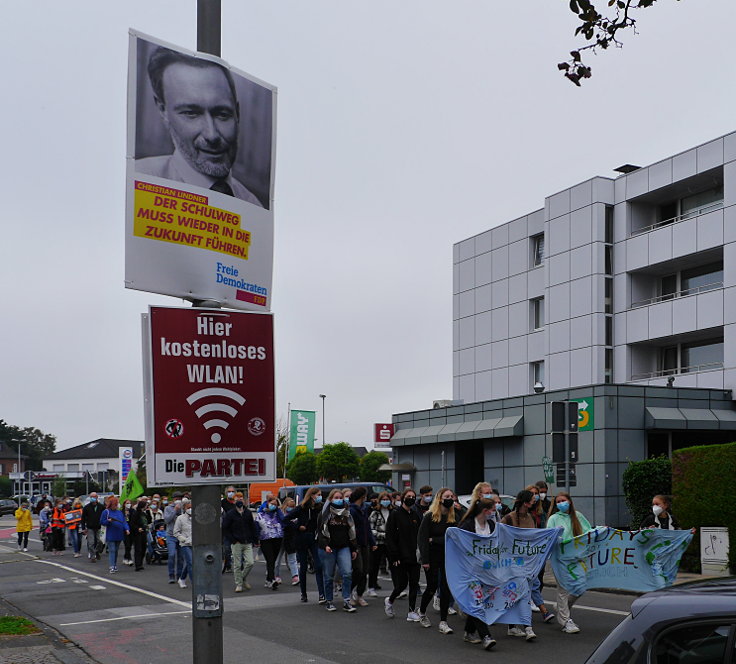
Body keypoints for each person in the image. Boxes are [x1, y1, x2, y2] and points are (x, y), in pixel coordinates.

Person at [137, 46, 263, 206]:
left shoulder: (252, 205)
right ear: (163, 110)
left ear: (237, 113)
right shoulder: (139, 183)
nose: (212, 135)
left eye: (222, 114)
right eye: (191, 113)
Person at [501, 490, 555, 638]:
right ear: (525, 502)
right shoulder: (509, 518)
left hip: (529, 563)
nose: (534, 501)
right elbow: (499, 536)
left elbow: (535, 537)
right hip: (513, 564)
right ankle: (527, 627)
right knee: (522, 594)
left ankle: (513, 626)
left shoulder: (531, 517)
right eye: (532, 500)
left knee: (522, 595)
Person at [547, 492, 593, 634]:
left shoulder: (577, 516)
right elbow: (549, 535)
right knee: (563, 589)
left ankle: (562, 607)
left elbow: (588, 532)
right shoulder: (553, 518)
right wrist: (557, 538)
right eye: (558, 501)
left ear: (570, 501)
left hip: (576, 558)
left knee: (581, 586)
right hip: (560, 558)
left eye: (564, 500)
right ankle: (565, 621)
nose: (561, 503)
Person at [417, 487, 459, 634]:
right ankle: (421, 611)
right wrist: (425, 560)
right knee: (432, 586)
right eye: (447, 496)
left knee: (446, 588)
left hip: (448, 557)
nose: (450, 499)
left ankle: (443, 621)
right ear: (440, 498)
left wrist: (434, 539)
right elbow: (422, 539)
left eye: (452, 496)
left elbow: (455, 537)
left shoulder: (454, 516)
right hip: (432, 557)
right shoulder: (430, 516)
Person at [458, 498, 498, 650]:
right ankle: (486, 636)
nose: (494, 513)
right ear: (485, 511)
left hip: (488, 571)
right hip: (471, 571)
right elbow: (460, 544)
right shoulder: (468, 525)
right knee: (477, 601)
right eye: (493, 510)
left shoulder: (492, 525)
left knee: (482, 601)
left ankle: (469, 632)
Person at [384, 488, 422, 621]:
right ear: (402, 497)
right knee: (401, 585)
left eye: (413, 496)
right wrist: (394, 556)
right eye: (409, 496)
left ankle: (411, 611)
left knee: (414, 583)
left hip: (414, 556)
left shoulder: (415, 515)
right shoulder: (395, 514)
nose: (411, 498)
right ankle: (390, 600)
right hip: (400, 556)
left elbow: (419, 534)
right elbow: (390, 536)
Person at [317, 489, 357, 612]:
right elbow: (320, 532)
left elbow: (352, 532)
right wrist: (325, 545)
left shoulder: (347, 514)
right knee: (329, 575)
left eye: (341, 497)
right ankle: (329, 600)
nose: (340, 499)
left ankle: (346, 600)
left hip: (344, 547)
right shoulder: (325, 514)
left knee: (347, 573)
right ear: (331, 499)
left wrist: (354, 548)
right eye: (337, 497)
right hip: (329, 547)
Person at [285, 486, 325, 604]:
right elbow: (286, 519)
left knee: (318, 565)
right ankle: (303, 593)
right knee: (303, 566)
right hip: (301, 538)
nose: (319, 497)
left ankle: (321, 594)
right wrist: (298, 526)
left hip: (314, 538)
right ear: (312, 495)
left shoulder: (319, 508)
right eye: (318, 494)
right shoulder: (301, 508)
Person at [222, 493, 259, 592]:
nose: (240, 500)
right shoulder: (230, 514)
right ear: (234, 501)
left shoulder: (247, 513)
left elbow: (252, 526)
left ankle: (241, 578)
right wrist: (233, 540)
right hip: (237, 542)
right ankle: (239, 584)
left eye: (242, 499)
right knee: (237, 565)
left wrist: (255, 539)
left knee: (250, 562)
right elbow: (225, 528)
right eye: (238, 499)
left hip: (247, 542)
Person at [348, 486, 376, 607]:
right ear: (362, 496)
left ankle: (359, 595)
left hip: (365, 543)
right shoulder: (352, 510)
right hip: (356, 543)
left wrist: (372, 542)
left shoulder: (364, 509)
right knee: (358, 570)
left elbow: (367, 527)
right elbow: (350, 529)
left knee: (365, 570)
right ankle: (348, 591)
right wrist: (352, 546)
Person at [255, 497, 284, 590]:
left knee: (272, 560)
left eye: (275, 504)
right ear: (267, 503)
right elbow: (256, 527)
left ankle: (268, 580)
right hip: (265, 540)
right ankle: (272, 579)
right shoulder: (260, 515)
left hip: (277, 539)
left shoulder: (278, 514)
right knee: (270, 559)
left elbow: (284, 521)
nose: (273, 506)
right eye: (272, 504)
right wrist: (255, 539)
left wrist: (278, 510)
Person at [368, 491, 393, 596]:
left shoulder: (393, 512)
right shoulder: (375, 512)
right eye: (383, 499)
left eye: (387, 499)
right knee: (374, 565)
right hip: (378, 542)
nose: (385, 501)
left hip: (390, 543)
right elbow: (371, 528)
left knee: (393, 564)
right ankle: (371, 587)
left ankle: (397, 587)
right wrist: (383, 535)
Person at [100, 497, 129, 573]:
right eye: (115, 504)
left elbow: (124, 522)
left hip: (119, 534)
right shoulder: (106, 512)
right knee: (112, 550)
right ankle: (111, 566)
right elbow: (102, 522)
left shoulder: (119, 512)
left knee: (116, 550)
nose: (116, 505)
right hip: (110, 533)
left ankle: (114, 564)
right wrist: (108, 521)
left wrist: (127, 529)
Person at [275, 497, 299, 585]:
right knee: (277, 560)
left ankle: (295, 576)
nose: (291, 508)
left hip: (290, 539)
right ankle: (276, 575)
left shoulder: (295, 515)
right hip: (280, 538)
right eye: (290, 506)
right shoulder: (280, 514)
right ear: (285, 505)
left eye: (293, 507)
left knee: (292, 559)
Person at [164, 495, 185, 583]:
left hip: (181, 535)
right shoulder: (168, 508)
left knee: (181, 557)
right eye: (176, 499)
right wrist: (175, 510)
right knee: (172, 554)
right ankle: (171, 574)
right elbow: (167, 520)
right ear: (173, 500)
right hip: (171, 535)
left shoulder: (183, 508)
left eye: (179, 499)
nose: (178, 501)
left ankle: (179, 575)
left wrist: (182, 509)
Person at [173, 501, 193, 588]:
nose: (190, 509)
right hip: (185, 544)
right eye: (188, 508)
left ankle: (182, 578)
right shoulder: (180, 518)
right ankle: (195, 583)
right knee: (191, 562)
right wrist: (183, 539)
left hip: (196, 543)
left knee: (190, 562)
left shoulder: (198, 517)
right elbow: (176, 532)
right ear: (184, 509)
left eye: (191, 507)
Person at [81, 492, 104, 563]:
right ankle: (92, 556)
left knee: (99, 541)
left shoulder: (101, 507)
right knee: (91, 543)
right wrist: (83, 528)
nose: (93, 498)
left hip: (99, 527)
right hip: (90, 527)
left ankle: (97, 552)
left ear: (97, 497)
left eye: (94, 497)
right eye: (91, 497)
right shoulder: (86, 507)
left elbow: (105, 516)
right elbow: (83, 518)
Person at [129, 499, 150, 571]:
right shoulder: (136, 513)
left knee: (144, 548)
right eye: (146, 505)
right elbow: (132, 524)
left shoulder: (144, 513)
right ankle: (137, 565)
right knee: (138, 549)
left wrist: (148, 511)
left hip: (144, 532)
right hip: (137, 533)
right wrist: (137, 528)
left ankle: (141, 563)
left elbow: (148, 520)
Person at [221, 485, 237, 573]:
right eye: (229, 491)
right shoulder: (222, 503)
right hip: (226, 530)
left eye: (232, 491)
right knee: (226, 549)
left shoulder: (237, 503)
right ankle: (228, 565)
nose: (231, 493)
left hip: (236, 529)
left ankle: (240, 566)